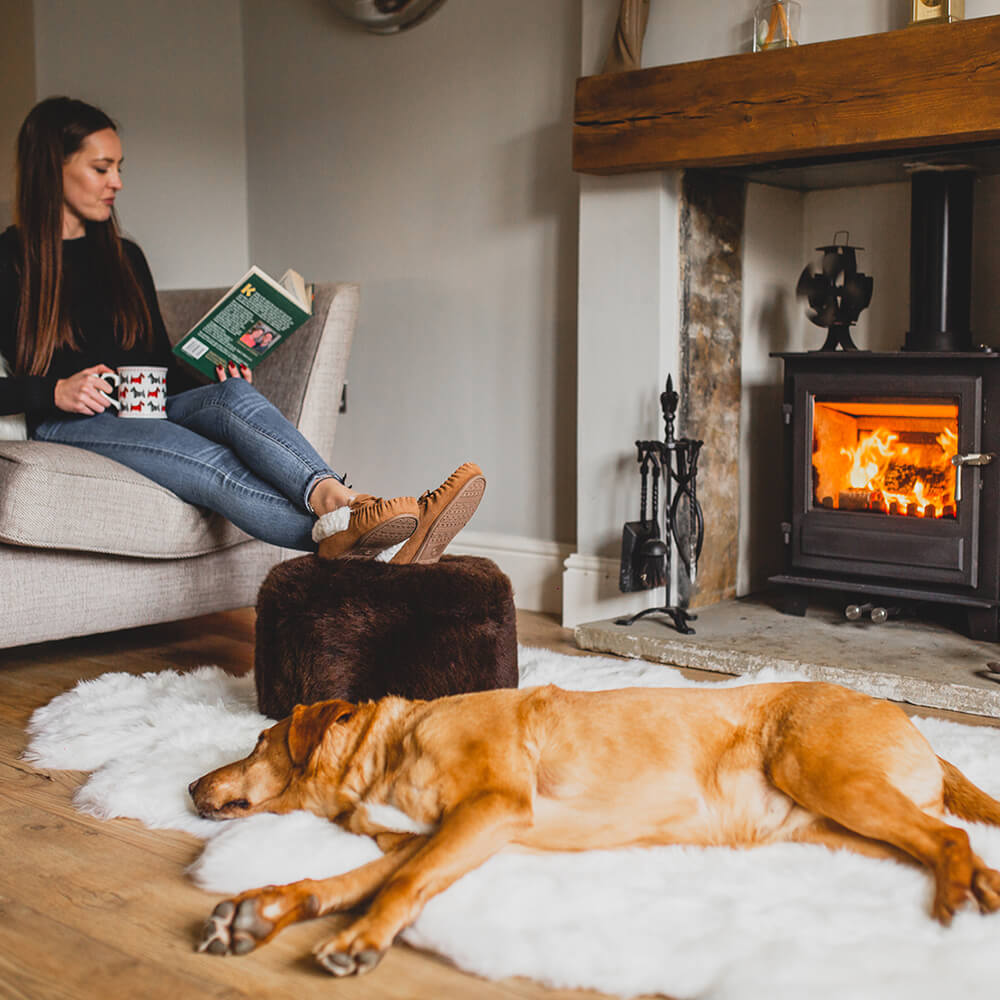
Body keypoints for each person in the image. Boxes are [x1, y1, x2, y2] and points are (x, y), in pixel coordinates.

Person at [0, 97, 484, 561]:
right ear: (51, 168)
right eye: (102, 168)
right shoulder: (10, 260)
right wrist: (55, 390)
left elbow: (157, 360)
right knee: (218, 466)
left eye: (120, 168)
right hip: (74, 422)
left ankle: (338, 500)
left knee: (232, 396)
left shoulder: (126, 256)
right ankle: (392, 538)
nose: (117, 183)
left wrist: (214, 372)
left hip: (149, 401)